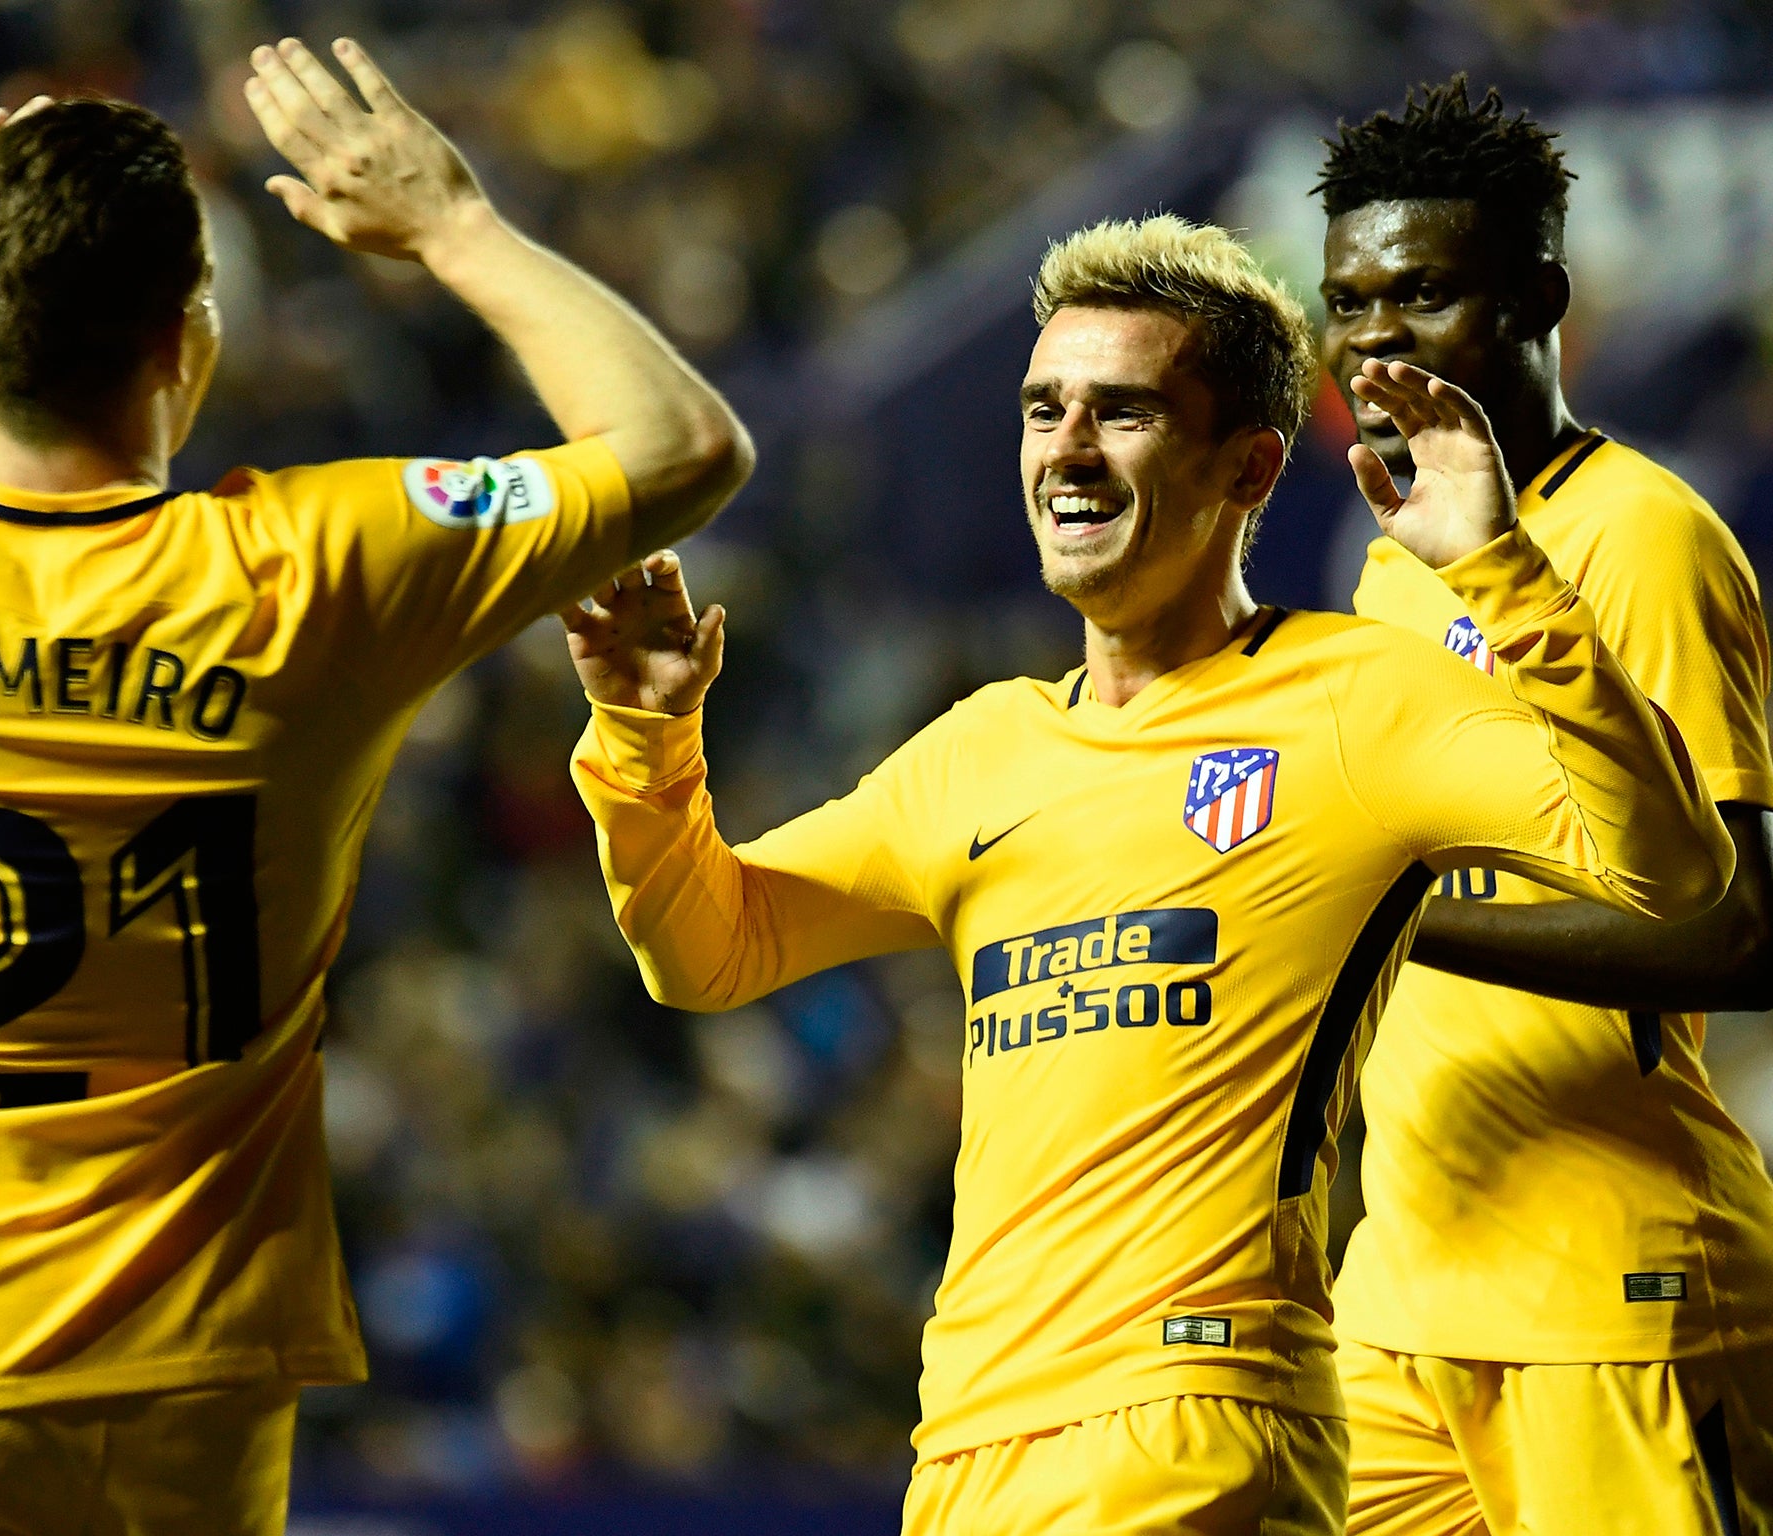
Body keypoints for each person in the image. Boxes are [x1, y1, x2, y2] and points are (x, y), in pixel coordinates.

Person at [559, 213, 1731, 1535]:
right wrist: (648, 743)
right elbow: (709, 949)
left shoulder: (1354, 701)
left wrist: (1504, 579)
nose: (1064, 445)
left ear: (1248, 466)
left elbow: (1670, 873)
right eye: (1042, 407)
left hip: (1198, 1414)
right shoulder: (984, 750)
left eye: (1121, 412)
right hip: (970, 1448)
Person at [0, 36, 751, 1534]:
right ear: (188, 338)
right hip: (185, 1398)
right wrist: (457, 226)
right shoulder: (315, 565)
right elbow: (682, 445)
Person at [1315, 76, 1773, 1535]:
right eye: (1352, 298)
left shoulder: (1646, 536)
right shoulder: (1397, 556)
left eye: (1426, 292)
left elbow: (1742, 938)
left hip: (1611, 1288)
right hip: (1403, 1290)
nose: (1378, 332)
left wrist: (1408, 918)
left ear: (1540, 298)